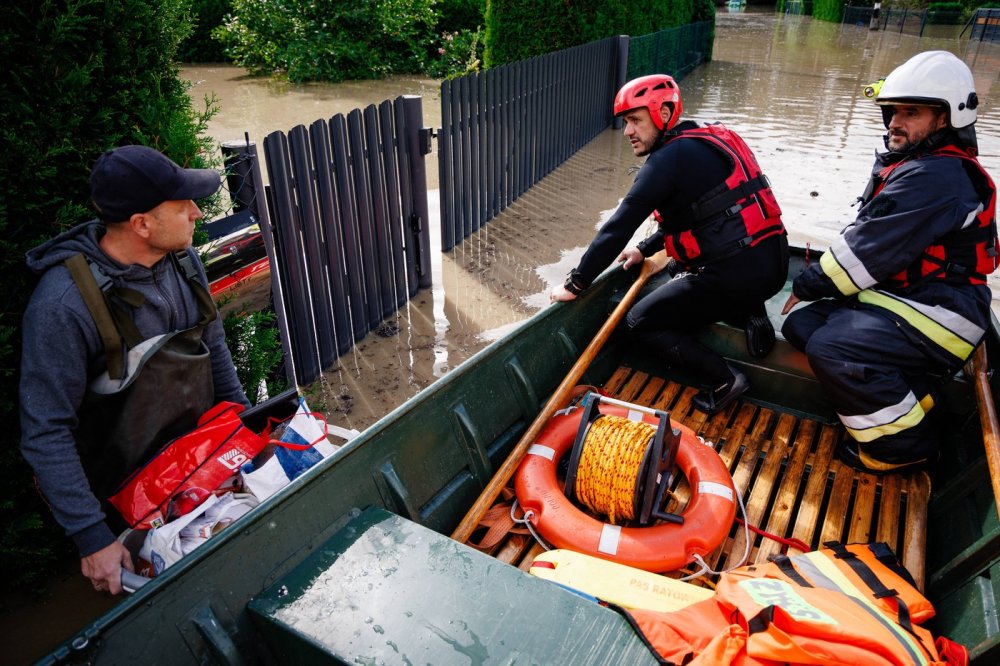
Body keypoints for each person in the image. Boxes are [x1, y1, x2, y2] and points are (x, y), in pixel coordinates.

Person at [19, 145, 250, 594]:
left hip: (196, 468)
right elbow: (46, 432)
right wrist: (93, 539)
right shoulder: (62, 306)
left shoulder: (184, 260)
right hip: (123, 505)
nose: (198, 214)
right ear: (142, 224)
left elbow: (213, 344)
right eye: (183, 206)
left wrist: (244, 427)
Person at [781, 51, 997, 474]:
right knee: (800, 327)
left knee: (832, 348)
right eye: (893, 111)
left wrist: (806, 285)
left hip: (945, 311)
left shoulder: (937, 177)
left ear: (945, 119)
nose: (896, 122)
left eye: (911, 112)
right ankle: (916, 398)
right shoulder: (919, 165)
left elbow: (866, 250)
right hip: (913, 298)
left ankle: (905, 447)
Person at [551, 74, 789, 414]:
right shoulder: (703, 140)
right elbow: (702, 216)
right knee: (695, 266)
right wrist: (644, 249)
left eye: (635, 120)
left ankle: (726, 378)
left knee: (638, 322)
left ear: (663, 113)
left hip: (736, 275)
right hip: (773, 265)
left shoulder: (666, 160)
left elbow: (617, 228)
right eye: (625, 122)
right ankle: (751, 310)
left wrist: (576, 283)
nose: (628, 131)